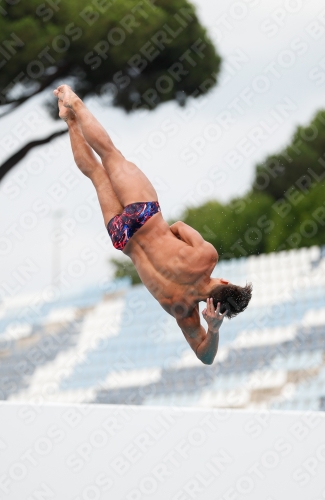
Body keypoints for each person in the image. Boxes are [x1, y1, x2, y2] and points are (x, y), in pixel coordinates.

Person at [53, 85, 252, 365]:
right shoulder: (183, 311)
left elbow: (180, 226)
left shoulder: (206, 258)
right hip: (122, 237)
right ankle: (70, 120)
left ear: (225, 281)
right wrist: (213, 329)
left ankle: (75, 103)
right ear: (214, 309)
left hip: (144, 214)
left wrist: (160, 234)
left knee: (110, 155)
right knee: (97, 177)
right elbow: (205, 357)